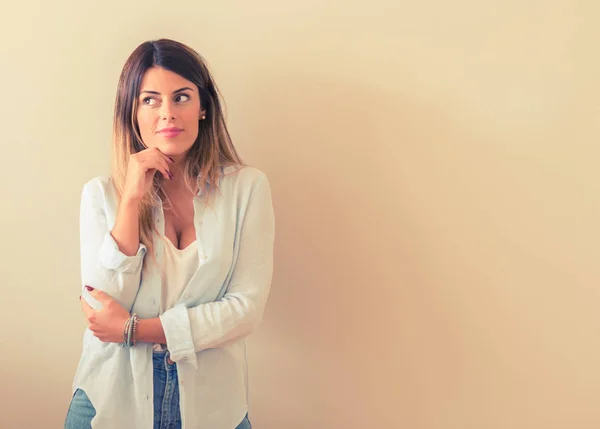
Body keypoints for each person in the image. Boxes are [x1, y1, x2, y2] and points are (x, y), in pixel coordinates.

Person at [64, 38, 275, 429]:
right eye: (150, 100)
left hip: (214, 407)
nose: (167, 113)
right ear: (132, 113)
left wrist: (135, 329)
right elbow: (98, 311)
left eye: (181, 97)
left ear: (204, 107)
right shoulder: (101, 195)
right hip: (111, 400)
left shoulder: (247, 189)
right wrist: (130, 201)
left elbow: (245, 309)